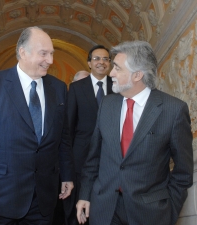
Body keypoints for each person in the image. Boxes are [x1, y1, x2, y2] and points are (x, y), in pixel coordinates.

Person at [0, 26, 74, 224]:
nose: (50, 61)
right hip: (0, 197)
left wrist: (67, 175)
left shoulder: (59, 88)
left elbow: (62, 137)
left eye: (52, 54)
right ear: (22, 52)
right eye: (43, 53)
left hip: (43, 199)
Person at [76, 41, 194, 225]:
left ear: (137, 75)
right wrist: (85, 195)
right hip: (104, 209)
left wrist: (169, 211)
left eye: (117, 68)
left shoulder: (173, 110)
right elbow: (94, 158)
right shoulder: (107, 105)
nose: (111, 73)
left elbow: (183, 172)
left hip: (149, 214)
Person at [63, 45, 113, 225]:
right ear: (89, 63)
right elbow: (68, 128)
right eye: (97, 58)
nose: (101, 62)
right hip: (81, 160)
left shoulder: (119, 87)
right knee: (77, 212)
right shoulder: (76, 88)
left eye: (105, 59)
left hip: (111, 159)